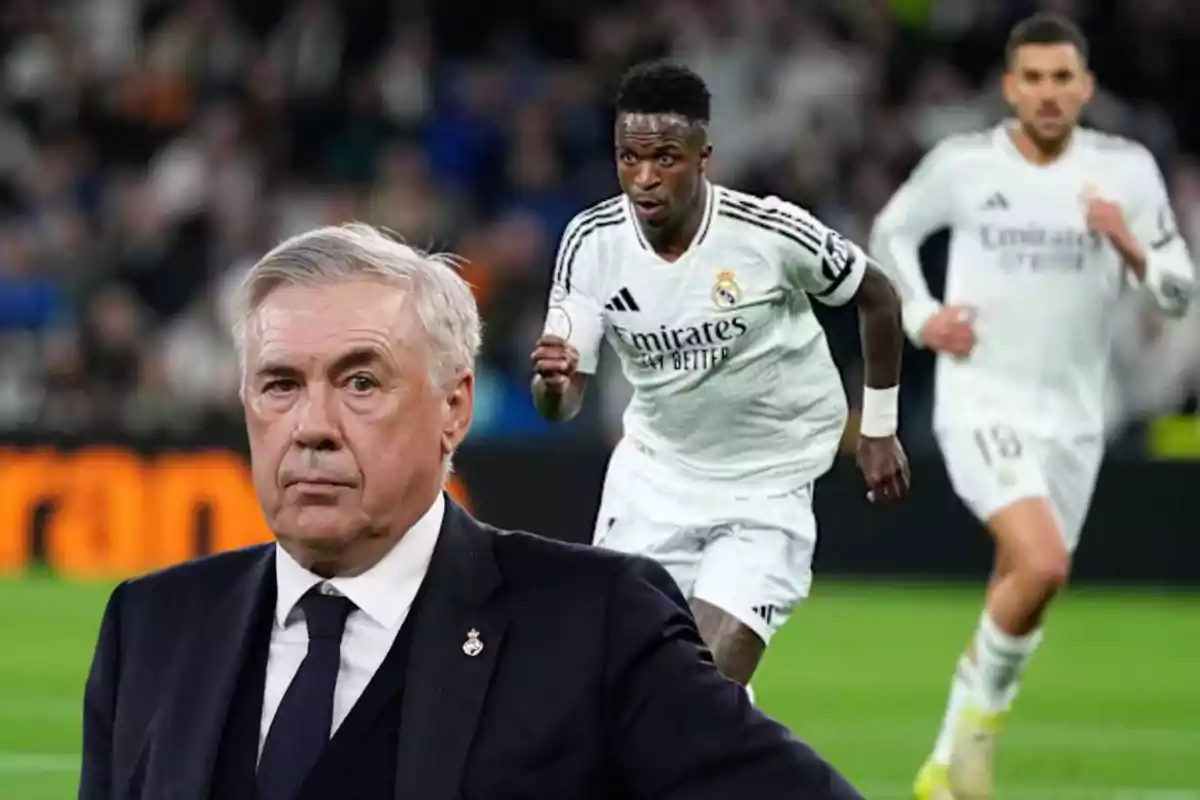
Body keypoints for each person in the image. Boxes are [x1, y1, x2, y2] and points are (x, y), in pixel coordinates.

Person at [78, 222, 867, 800]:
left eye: (360, 383)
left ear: (454, 408)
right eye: (281, 384)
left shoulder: (597, 624)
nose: (311, 426)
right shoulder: (150, 628)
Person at [869, 13, 1196, 800]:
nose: (1048, 94)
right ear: (1011, 87)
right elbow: (891, 231)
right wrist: (921, 316)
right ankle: (975, 745)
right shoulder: (966, 164)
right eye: (1034, 79)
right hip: (983, 398)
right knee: (1043, 559)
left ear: (1085, 86)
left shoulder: (1125, 171)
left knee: (1029, 579)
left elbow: (1180, 292)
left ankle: (948, 768)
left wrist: (1128, 243)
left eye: (1063, 79)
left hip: (1078, 414)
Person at [530, 61, 911, 695]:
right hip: (655, 479)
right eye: (629, 158)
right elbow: (561, 404)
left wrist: (879, 427)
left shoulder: (767, 232)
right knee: (620, 682)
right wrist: (552, 386)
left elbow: (878, 296)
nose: (644, 179)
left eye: (665, 158)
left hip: (767, 485)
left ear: (704, 156)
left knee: (696, 680)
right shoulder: (592, 244)